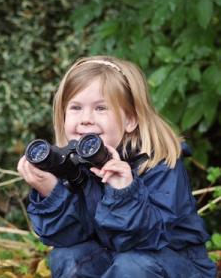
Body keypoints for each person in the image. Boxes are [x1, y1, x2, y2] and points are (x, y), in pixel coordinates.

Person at [17, 55, 217, 277]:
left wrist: (123, 192)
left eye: (101, 108)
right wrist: (52, 193)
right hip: (116, 259)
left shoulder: (158, 163)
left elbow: (146, 240)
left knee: (131, 264)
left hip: (176, 264)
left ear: (131, 119)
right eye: (75, 108)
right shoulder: (77, 163)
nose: (86, 119)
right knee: (69, 256)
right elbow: (68, 238)